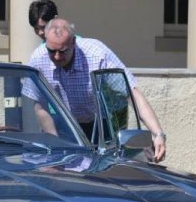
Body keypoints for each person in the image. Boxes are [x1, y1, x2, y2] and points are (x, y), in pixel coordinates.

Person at [25, 18, 167, 162]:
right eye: (51, 51)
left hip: (99, 126)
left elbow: (132, 94)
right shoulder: (38, 58)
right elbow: (40, 104)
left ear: (74, 42)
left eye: (62, 51)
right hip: (63, 126)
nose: (56, 56)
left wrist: (158, 134)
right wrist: (54, 144)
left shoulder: (97, 54)